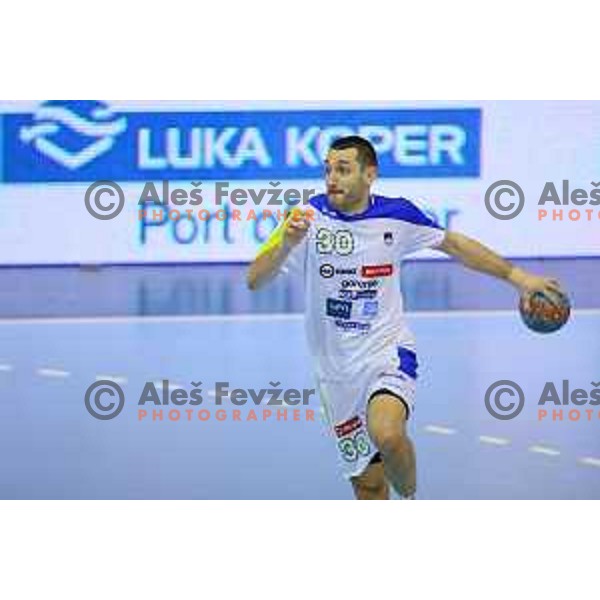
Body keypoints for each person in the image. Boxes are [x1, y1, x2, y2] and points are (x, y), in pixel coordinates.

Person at [246, 136, 563, 500]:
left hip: (387, 352)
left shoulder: (398, 215)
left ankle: (411, 501)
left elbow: (455, 245)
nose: (332, 178)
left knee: (389, 434)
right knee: (368, 486)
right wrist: (286, 242)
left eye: (343, 169)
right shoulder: (304, 220)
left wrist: (520, 278)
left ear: (370, 174)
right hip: (334, 371)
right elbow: (254, 279)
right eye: (328, 169)